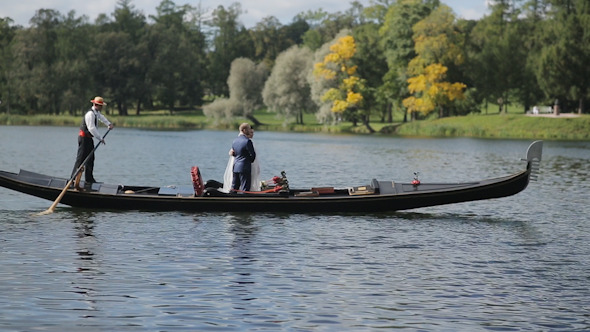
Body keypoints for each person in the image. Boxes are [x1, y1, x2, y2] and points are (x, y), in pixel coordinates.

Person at [71, 96, 114, 184]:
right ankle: (73, 178)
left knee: (91, 158)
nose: (101, 107)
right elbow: (91, 128)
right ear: (96, 105)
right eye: (100, 106)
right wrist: (100, 138)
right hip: (83, 138)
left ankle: (89, 179)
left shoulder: (96, 112)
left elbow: (101, 117)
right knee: (80, 159)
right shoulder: (90, 114)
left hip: (89, 139)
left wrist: (108, 124)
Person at [223, 126, 261, 193]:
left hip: (236, 166)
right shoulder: (247, 141)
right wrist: (250, 161)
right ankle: (244, 200)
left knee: (234, 187)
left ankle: (230, 199)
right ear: (244, 130)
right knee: (245, 188)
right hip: (245, 167)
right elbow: (253, 155)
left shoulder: (235, 140)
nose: (250, 132)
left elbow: (234, 152)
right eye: (249, 130)